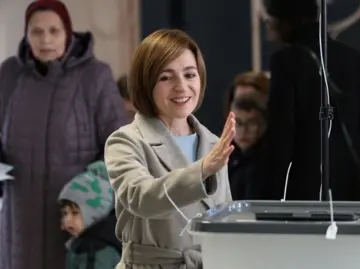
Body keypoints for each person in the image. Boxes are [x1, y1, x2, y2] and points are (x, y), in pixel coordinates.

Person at [0, 1, 128, 269]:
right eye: (36, 32)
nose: (45, 39)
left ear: (67, 33)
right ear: (27, 34)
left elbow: (118, 147)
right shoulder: (10, 74)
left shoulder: (95, 76)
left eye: (54, 31)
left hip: (75, 222)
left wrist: (89, 197)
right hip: (18, 219)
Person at [104, 29, 234, 269]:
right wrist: (202, 170)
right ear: (145, 83)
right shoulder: (125, 141)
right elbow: (141, 198)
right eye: (166, 77)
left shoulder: (214, 144)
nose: (181, 86)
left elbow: (224, 220)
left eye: (190, 74)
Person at [257, 0, 360, 201]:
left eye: (270, 19)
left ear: (287, 21)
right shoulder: (350, 57)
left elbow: (282, 134)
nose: (267, 26)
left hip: (305, 189)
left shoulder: (286, 60)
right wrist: (336, 153)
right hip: (349, 185)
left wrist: (269, 193)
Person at [58, 161, 121, 269]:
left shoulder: (94, 249)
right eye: (65, 213)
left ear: (96, 214)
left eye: (75, 213)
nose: (67, 220)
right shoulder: (100, 244)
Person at [228, 92, 268, 200]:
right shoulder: (224, 156)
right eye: (238, 123)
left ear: (263, 124)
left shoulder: (270, 162)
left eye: (251, 123)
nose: (244, 130)